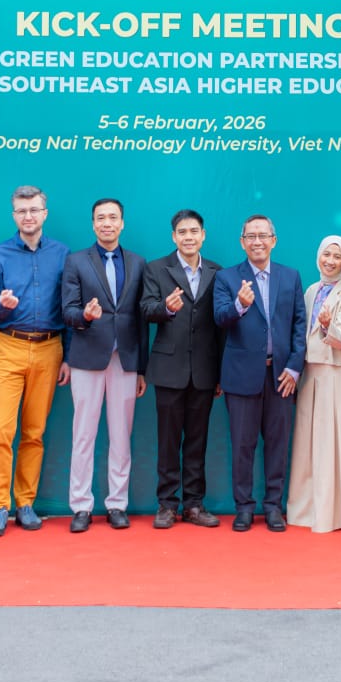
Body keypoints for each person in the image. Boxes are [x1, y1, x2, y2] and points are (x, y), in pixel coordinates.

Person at [0, 185, 70, 536]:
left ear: (44, 213)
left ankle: (25, 503)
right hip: (9, 346)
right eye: (21, 211)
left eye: (34, 210)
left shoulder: (62, 254)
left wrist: (68, 356)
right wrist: (1, 305)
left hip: (50, 348)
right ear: (13, 215)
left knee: (34, 431)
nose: (28, 216)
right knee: (1, 430)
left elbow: (69, 307)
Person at [213, 214, 306, 532]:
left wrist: (294, 367)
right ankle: (243, 507)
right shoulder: (226, 278)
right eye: (251, 236)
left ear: (273, 240)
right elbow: (220, 318)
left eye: (263, 235)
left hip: (281, 376)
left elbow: (299, 324)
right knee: (242, 444)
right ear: (242, 242)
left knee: (278, 444)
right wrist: (239, 305)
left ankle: (273, 507)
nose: (257, 241)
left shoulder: (290, 276)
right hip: (241, 375)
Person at [62, 198, 147, 532]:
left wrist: (141, 367)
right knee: (83, 434)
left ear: (122, 223)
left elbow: (141, 319)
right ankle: (81, 506)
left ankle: (117, 504)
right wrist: (85, 315)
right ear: (93, 223)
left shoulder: (138, 262)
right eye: (101, 218)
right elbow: (68, 310)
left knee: (121, 436)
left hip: (125, 360)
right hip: (87, 358)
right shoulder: (76, 261)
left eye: (113, 217)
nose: (107, 223)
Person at [140, 209, 224, 529]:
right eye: (182, 232)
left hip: (204, 370)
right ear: (174, 237)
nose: (189, 237)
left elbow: (221, 326)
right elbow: (146, 309)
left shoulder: (217, 272)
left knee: (197, 441)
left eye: (194, 231)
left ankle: (194, 504)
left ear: (203, 235)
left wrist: (220, 373)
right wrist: (165, 308)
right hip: (169, 368)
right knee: (168, 440)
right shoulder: (156, 269)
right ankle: (166, 504)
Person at [287, 236, 341, 533]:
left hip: (334, 372)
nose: (330, 261)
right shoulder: (311, 290)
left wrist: (329, 325)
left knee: (330, 443)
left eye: (337, 256)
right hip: (310, 373)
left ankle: (331, 512)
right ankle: (305, 509)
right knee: (307, 444)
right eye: (326, 254)